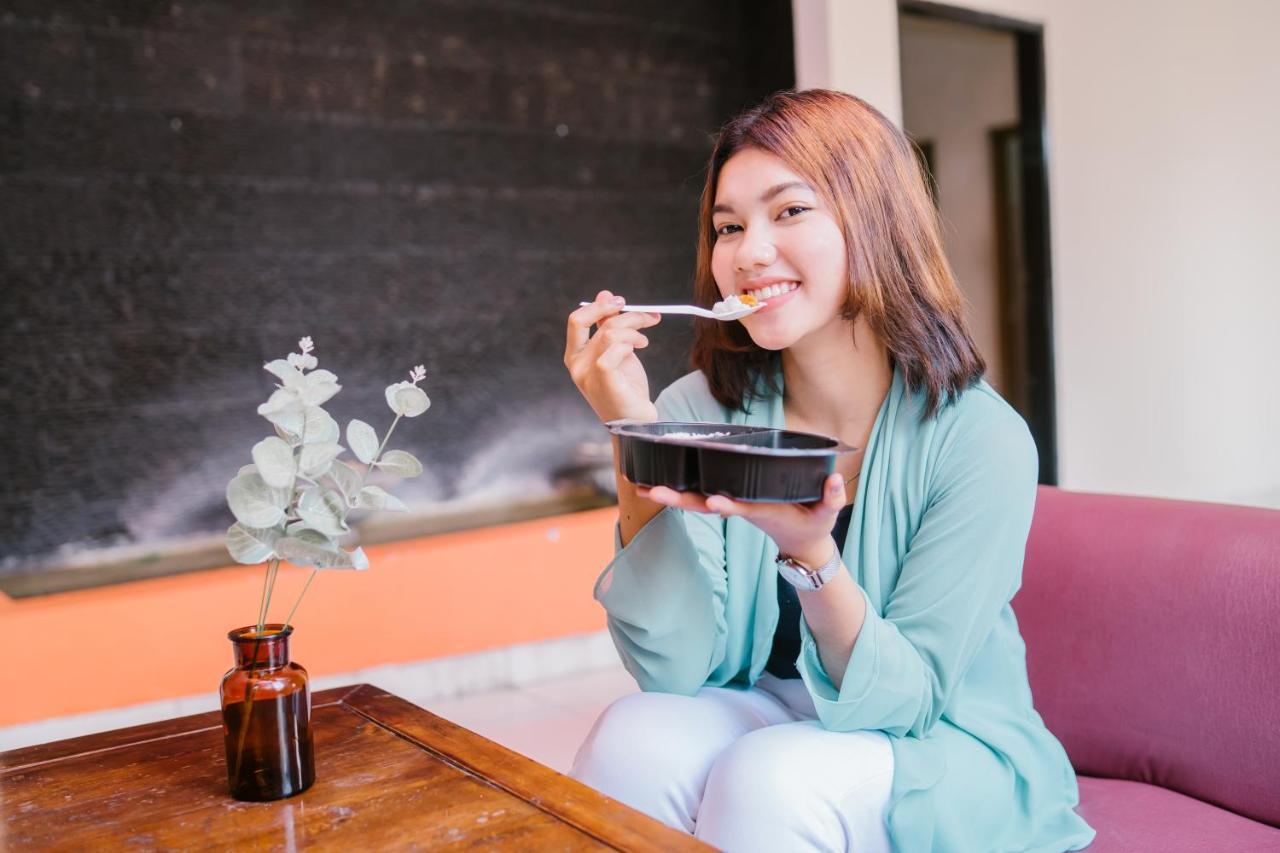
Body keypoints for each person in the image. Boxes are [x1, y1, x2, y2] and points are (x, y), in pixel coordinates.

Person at [561, 89, 1094, 853]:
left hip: (940, 741)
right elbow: (672, 667)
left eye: (789, 212)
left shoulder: (981, 439)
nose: (748, 251)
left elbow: (908, 697)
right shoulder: (698, 405)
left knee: (770, 778)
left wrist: (811, 558)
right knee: (630, 735)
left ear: (873, 221)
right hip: (773, 706)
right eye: (728, 226)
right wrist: (633, 433)